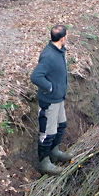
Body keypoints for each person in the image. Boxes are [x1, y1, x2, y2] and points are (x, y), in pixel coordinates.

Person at [30, 25, 72, 175]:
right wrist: (51, 88)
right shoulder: (49, 56)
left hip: (58, 99)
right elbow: (36, 77)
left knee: (62, 125)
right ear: (62, 38)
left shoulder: (58, 51)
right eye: (66, 36)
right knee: (48, 132)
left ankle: (54, 152)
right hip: (50, 101)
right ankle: (44, 162)